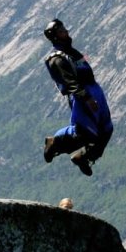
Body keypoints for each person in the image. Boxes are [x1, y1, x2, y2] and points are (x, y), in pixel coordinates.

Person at [41, 19, 113, 176]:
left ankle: (85, 157)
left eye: (65, 29)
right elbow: (70, 83)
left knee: (106, 129)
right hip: (82, 95)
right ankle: (54, 142)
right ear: (54, 37)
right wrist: (86, 98)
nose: (66, 32)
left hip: (95, 91)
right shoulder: (57, 59)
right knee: (84, 132)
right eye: (61, 31)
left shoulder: (73, 53)